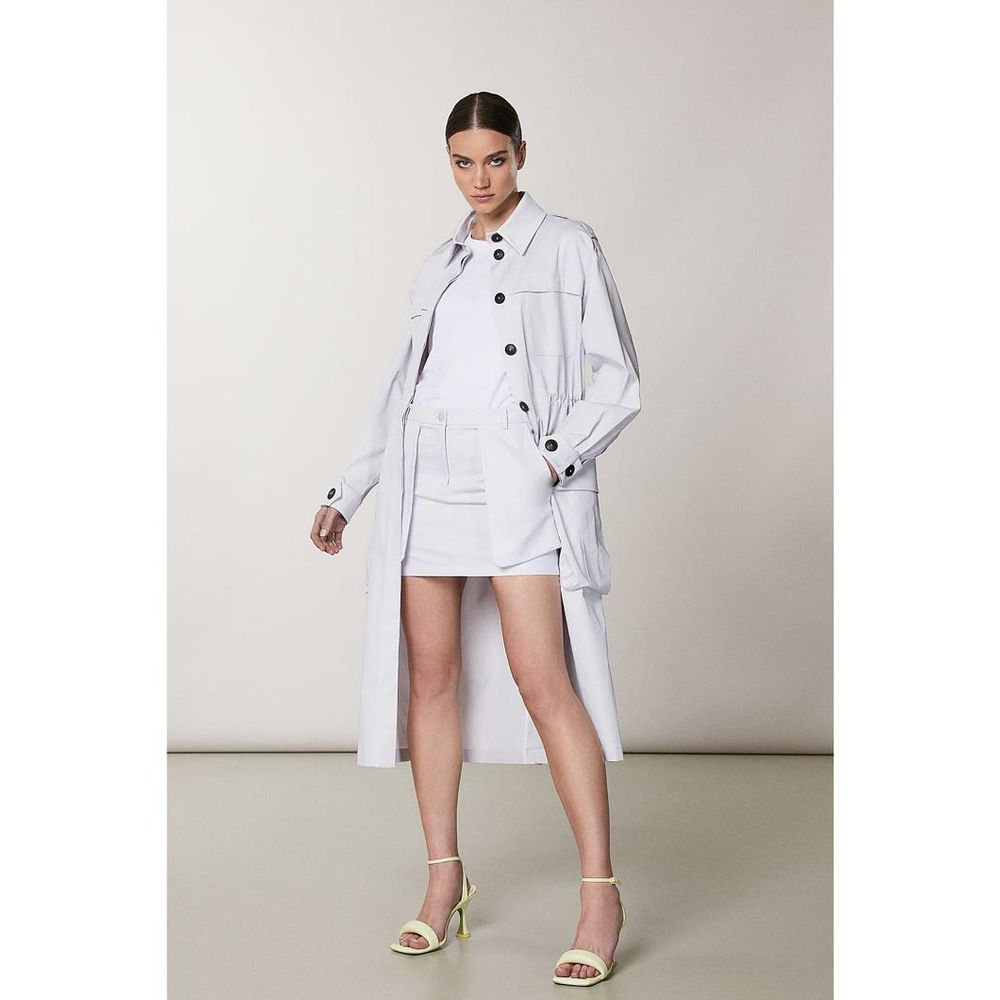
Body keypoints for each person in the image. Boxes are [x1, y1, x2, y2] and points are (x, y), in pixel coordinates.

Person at [309, 91, 640, 986]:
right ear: (448, 162)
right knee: (433, 679)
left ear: (521, 153)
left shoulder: (567, 245)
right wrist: (349, 491)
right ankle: (443, 882)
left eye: (494, 158)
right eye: (463, 162)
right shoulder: (439, 264)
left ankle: (600, 896)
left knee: (543, 679)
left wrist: (550, 460)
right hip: (428, 476)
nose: (480, 178)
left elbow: (619, 376)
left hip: (514, 476)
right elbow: (399, 390)